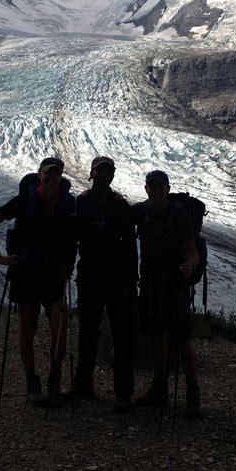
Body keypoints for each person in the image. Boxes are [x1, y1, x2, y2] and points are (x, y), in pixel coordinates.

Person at [0, 157, 76, 406]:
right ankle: (32, 382)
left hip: (54, 273)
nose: (52, 179)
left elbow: (72, 235)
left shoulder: (67, 202)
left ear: (61, 177)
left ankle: (54, 380)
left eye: (56, 175)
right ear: (40, 174)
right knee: (28, 329)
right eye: (48, 174)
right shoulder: (25, 200)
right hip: (27, 273)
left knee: (59, 331)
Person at [132, 169, 202, 419]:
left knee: (181, 339)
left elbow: (193, 251)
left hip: (174, 286)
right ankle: (159, 388)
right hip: (150, 284)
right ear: (147, 189)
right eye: (151, 185)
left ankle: (193, 394)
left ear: (167, 189)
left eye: (159, 186)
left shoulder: (178, 214)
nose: (155, 190)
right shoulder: (142, 211)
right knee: (156, 335)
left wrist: (189, 265)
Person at [72, 156, 138, 413]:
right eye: (100, 171)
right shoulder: (82, 202)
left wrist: (133, 278)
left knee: (122, 336)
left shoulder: (120, 205)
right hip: (90, 276)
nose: (103, 175)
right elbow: (74, 236)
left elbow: (131, 245)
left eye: (107, 171)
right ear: (92, 173)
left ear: (112, 175)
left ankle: (124, 393)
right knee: (88, 332)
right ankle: (83, 385)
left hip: (116, 278)